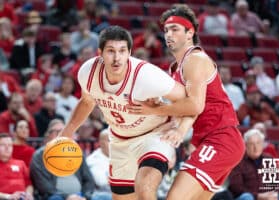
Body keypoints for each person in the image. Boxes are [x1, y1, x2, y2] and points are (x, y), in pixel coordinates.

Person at [128, 4, 245, 200]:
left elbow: (195, 106)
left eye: (174, 29)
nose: (168, 35)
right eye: (166, 30)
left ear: (190, 32)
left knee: (175, 198)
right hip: (210, 140)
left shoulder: (195, 59)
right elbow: (186, 110)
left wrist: (155, 110)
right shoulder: (176, 69)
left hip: (221, 138)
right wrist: (169, 122)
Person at [58, 25, 187, 200]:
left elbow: (186, 99)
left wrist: (179, 128)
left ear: (129, 53)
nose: (117, 58)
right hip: (120, 140)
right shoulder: (88, 73)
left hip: (155, 135)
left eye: (122, 51)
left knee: (145, 186)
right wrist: (66, 133)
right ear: (100, 53)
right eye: (111, 51)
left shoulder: (147, 76)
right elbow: (87, 101)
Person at [30, 119, 95, 200]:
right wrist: (67, 197)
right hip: (55, 196)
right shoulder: (39, 155)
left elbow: (89, 180)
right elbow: (43, 186)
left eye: (63, 132)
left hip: (80, 195)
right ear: (48, 135)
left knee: (103, 196)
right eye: (57, 132)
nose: (60, 135)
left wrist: (85, 196)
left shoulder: (76, 152)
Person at [228, 129, 278, 200]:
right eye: (251, 144)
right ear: (245, 145)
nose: (255, 147)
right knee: (247, 197)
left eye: (258, 143)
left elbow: (277, 183)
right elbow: (236, 188)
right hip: (246, 197)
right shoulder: (238, 161)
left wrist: (273, 194)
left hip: (267, 197)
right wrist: (258, 196)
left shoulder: (269, 159)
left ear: (262, 144)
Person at [0, 133, 34, 200]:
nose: (7, 147)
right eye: (3, 145)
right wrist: (8, 196)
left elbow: (29, 184)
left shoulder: (21, 163)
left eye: (10, 145)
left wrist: (28, 194)